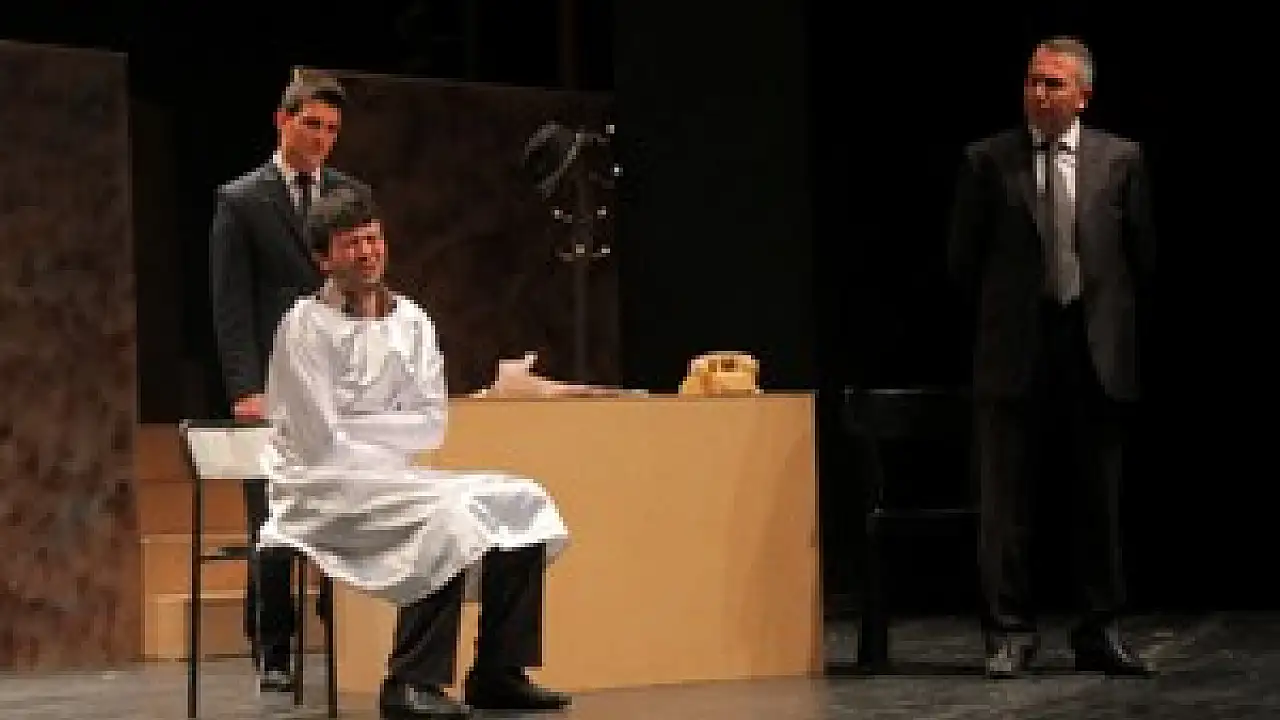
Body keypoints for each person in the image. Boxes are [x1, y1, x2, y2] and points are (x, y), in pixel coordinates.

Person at [257, 186, 573, 718]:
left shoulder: (412, 322)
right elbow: (319, 441)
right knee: (447, 519)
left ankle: (498, 672)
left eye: (373, 239)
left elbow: (430, 426)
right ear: (324, 259)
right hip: (317, 487)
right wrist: (387, 429)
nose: (367, 253)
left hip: (393, 480)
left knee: (523, 499)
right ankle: (409, 680)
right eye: (351, 243)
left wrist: (360, 425)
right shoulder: (303, 329)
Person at [946, 36, 1156, 679]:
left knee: (1099, 501)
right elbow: (962, 260)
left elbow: (1141, 256)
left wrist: (1111, 328)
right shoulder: (987, 161)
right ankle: (1009, 634)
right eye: (1033, 82)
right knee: (1006, 504)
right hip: (1017, 348)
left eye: (1053, 84)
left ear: (1083, 96)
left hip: (1092, 348)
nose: (1039, 94)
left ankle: (1100, 630)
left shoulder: (1121, 160)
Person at [208, 70, 369, 691]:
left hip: (340, 381)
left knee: (345, 508)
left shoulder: (351, 194)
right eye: (312, 125)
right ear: (283, 121)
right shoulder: (242, 200)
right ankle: (274, 649)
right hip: (273, 383)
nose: (322, 138)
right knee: (273, 518)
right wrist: (244, 388)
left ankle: (344, 632)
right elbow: (230, 305)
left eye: (332, 129)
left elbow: (365, 283)